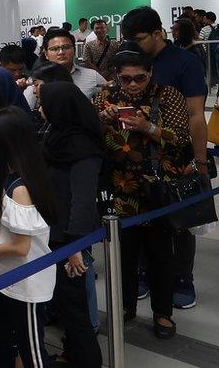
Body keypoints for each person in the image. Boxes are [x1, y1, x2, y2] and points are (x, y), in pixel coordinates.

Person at [94, 46, 189, 339]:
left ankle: (163, 312)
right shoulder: (106, 96)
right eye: (126, 79)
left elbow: (181, 138)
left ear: (150, 73)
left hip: (157, 187)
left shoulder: (168, 95)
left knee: (161, 255)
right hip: (119, 187)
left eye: (140, 78)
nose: (133, 84)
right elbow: (92, 137)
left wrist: (149, 127)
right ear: (115, 77)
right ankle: (124, 307)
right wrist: (102, 119)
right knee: (123, 255)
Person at [122, 6, 208, 309]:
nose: (133, 45)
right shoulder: (131, 61)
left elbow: (196, 115)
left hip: (177, 152)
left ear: (159, 33)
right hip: (137, 156)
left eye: (140, 39)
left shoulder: (185, 62)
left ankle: (183, 277)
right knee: (143, 215)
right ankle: (147, 271)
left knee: (181, 217)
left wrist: (200, 161)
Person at [0, 107, 58, 368]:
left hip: (26, 281)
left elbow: (21, 246)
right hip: (6, 278)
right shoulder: (13, 178)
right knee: (0, 339)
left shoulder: (21, 188)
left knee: (32, 351)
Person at [38, 82, 103, 367]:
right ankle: (73, 353)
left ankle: (89, 359)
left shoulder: (82, 147)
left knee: (75, 310)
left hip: (69, 240)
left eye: (45, 103)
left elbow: (83, 200)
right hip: (53, 233)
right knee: (64, 306)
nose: (40, 109)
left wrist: (75, 247)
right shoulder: (55, 135)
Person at [40, 28, 107, 100]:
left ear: (74, 50)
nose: (61, 52)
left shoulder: (92, 76)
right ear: (46, 54)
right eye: (55, 49)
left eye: (66, 47)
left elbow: (109, 100)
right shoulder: (38, 81)